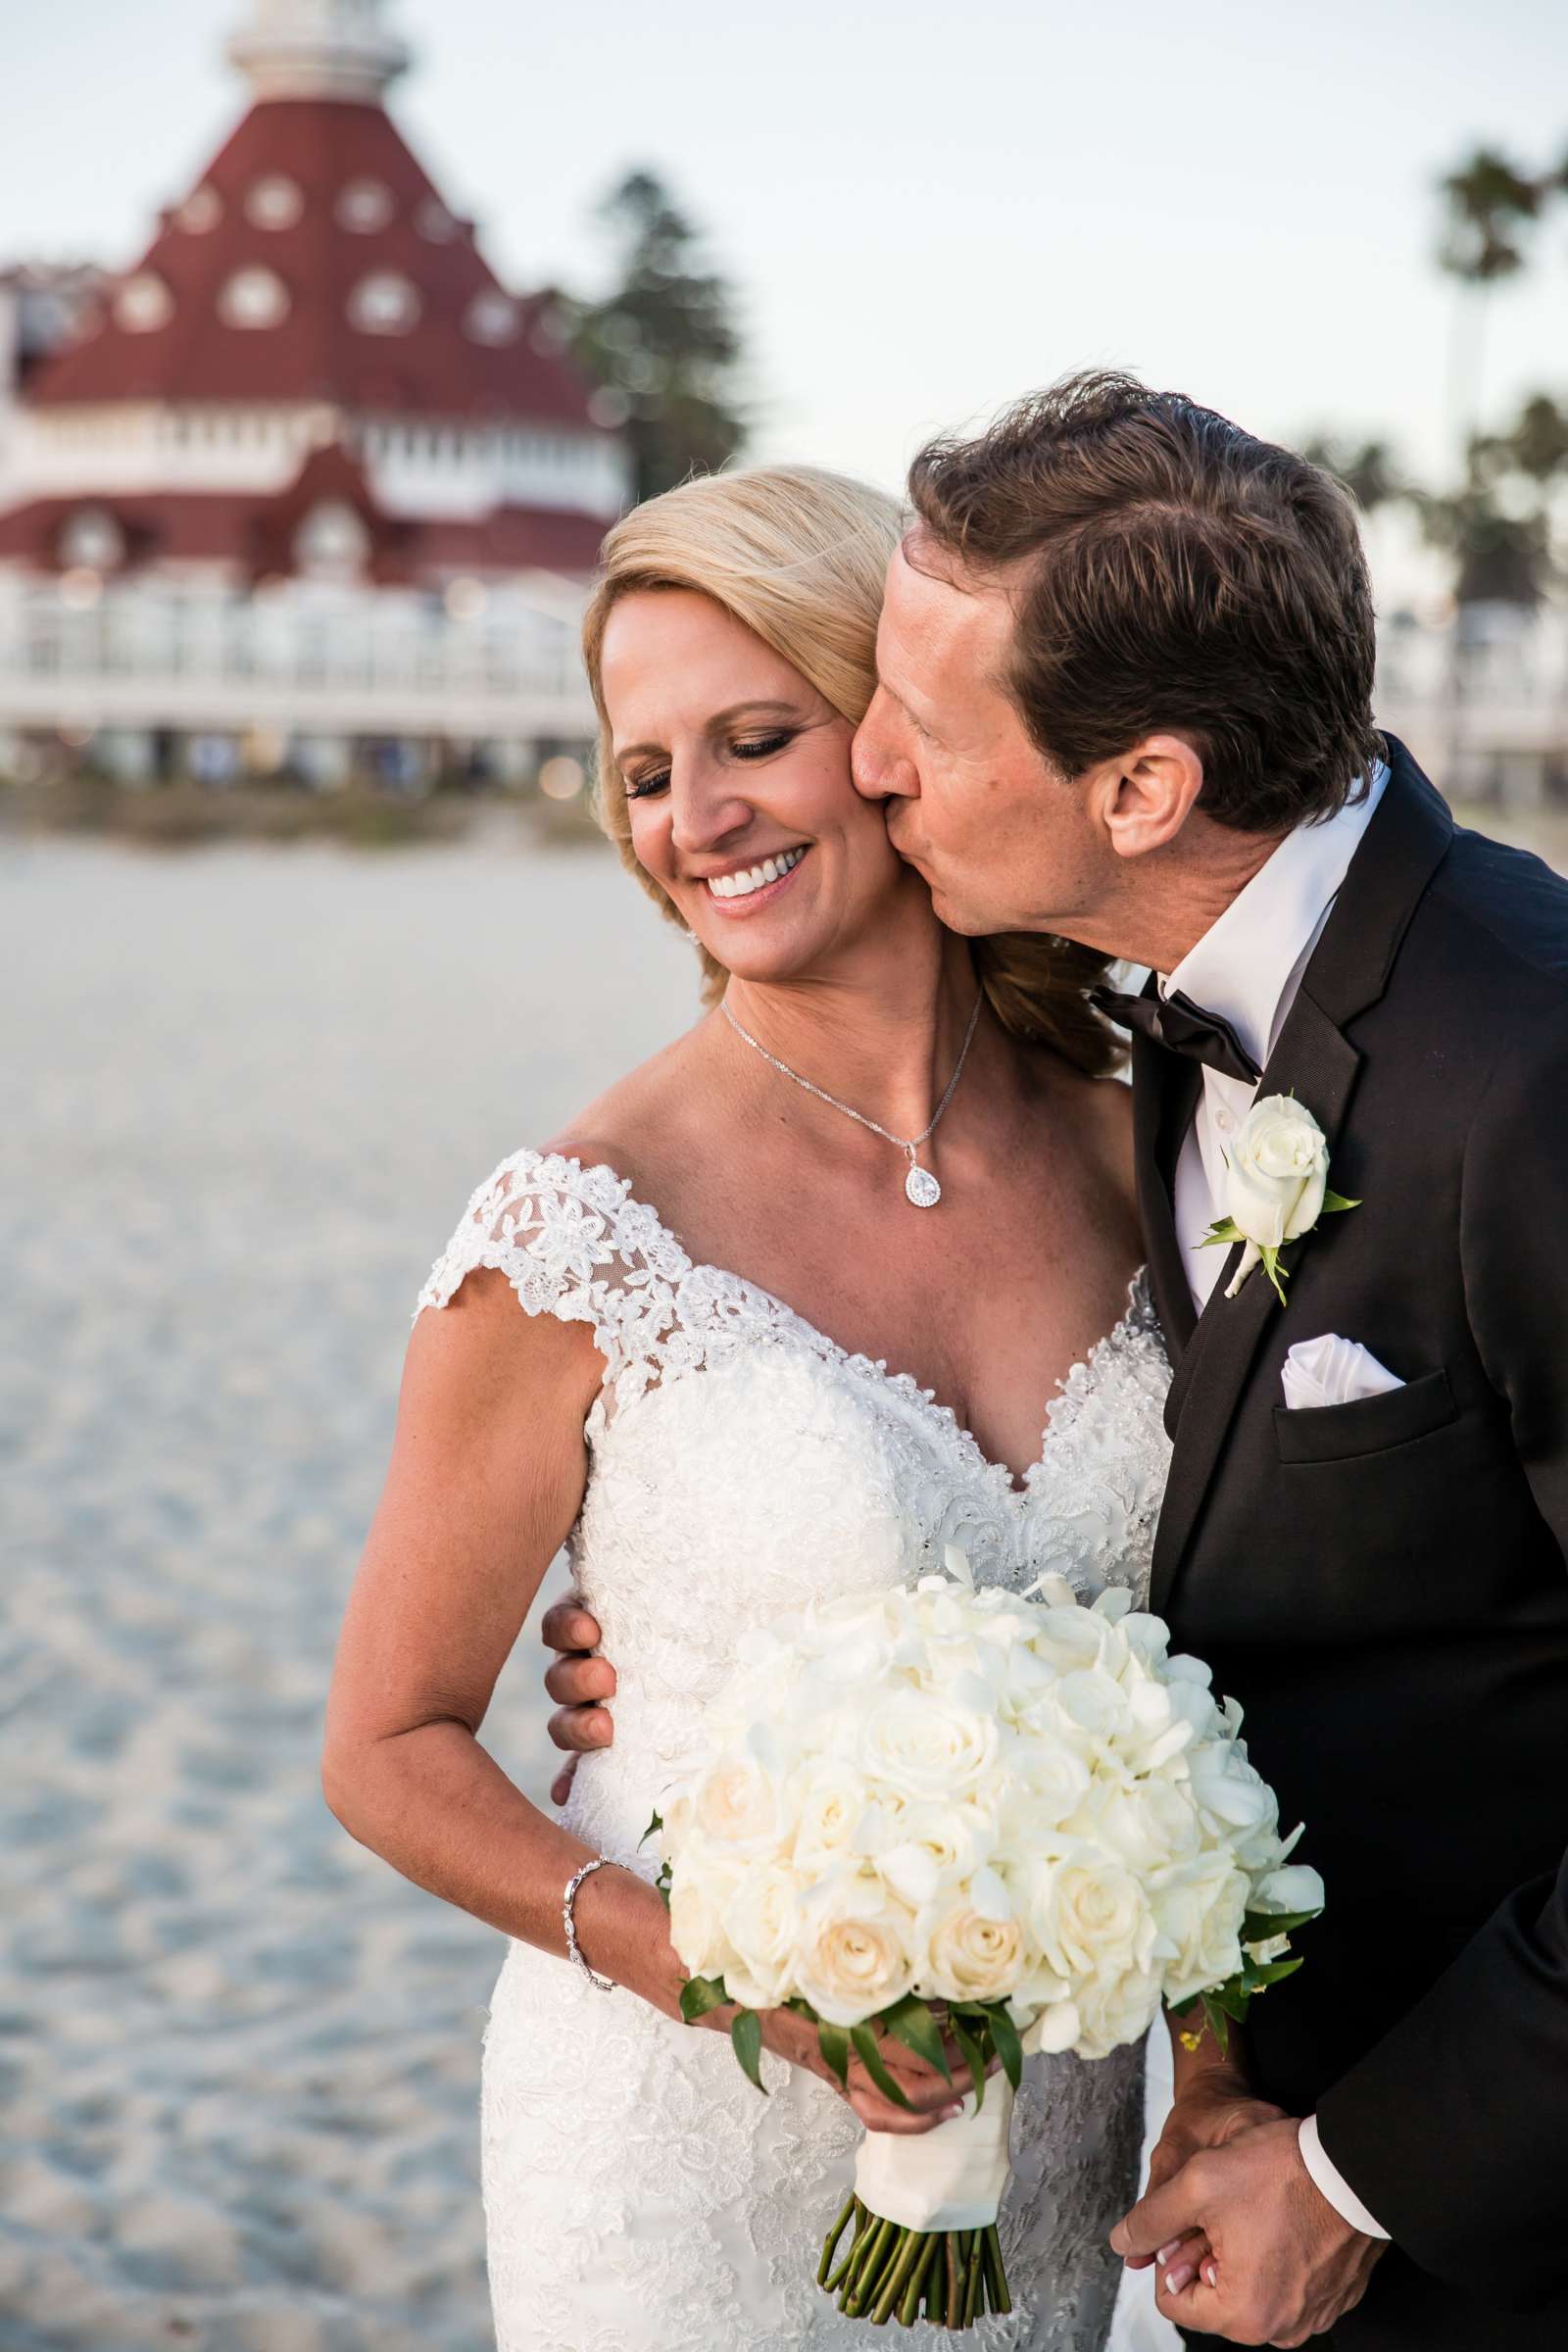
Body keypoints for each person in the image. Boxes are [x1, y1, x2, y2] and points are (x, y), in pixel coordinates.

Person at [546, 375, 1568, 2350]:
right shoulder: (1157, 1036)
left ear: (1135, 793)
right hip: (1207, 2176)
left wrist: (1365, 2174)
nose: (867, 760)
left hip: (1476, 2217)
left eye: (911, 727)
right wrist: (694, 1628)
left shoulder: (1523, 1069)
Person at [322, 462, 1176, 2352]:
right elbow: (386, 1745)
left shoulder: (1151, 1156)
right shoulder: (573, 1233)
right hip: (669, 2154)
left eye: (755, 738)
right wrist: (716, 1974)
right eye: (644, 772)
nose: (696, 821)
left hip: (1052, 2155)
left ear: (892, 734)